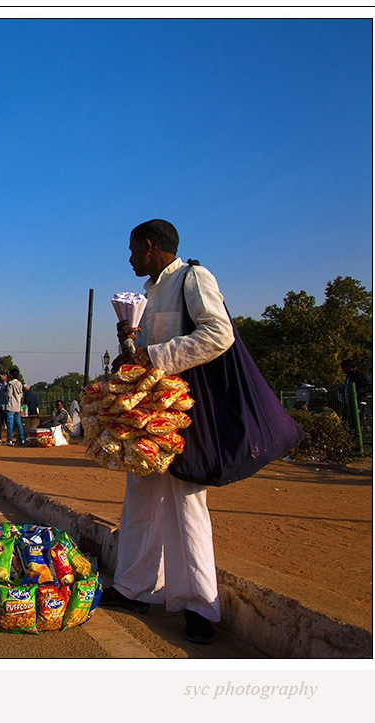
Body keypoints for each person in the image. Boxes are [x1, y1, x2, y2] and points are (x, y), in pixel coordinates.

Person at [100, 219, 234, 646]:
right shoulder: (151, 293)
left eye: (132, 250)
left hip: (183, 412)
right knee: (140, 494)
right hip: (150, 413)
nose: (129, 258)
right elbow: (144, 355)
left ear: (149, 245)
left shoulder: (194, 278)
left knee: (186, 502)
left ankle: (197, 604)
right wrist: (130, 343)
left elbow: (218, 333)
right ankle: (134, 587)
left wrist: (152, 353)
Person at [4, 373, 26, 445]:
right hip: (17, 406)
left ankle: (9, 440)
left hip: (11, 406)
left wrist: (4, 393)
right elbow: (21, 394)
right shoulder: (20, 383)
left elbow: (9, 394)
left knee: (10, 424)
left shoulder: (10, 384)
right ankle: (22, 439)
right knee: (19, 423)